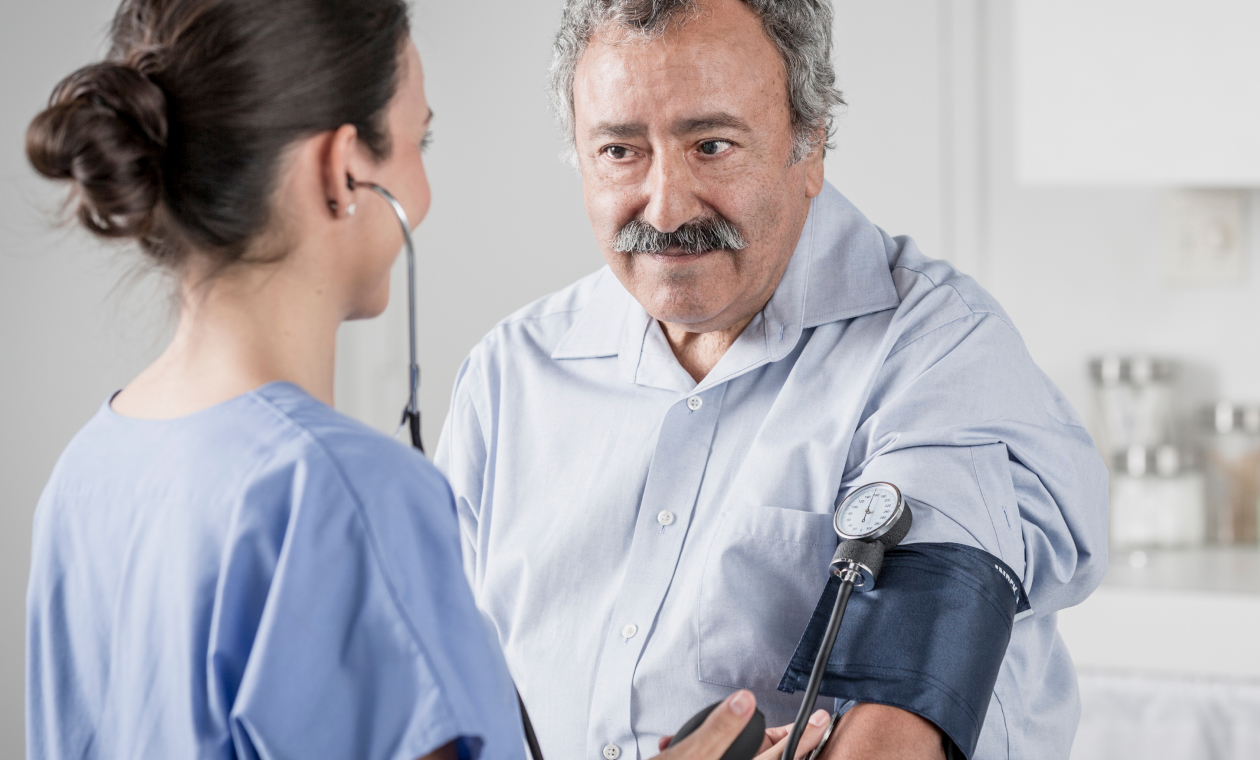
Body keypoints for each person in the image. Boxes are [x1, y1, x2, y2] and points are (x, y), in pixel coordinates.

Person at [23, 1, 828, 758]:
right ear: (343, 171)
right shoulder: (344, 497)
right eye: (419, 142)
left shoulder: (87, 472)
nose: (424, 189)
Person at [433, 0, 1109, 759]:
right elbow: (443, 707)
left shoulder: (937, 354)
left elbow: (906, 704)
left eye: (712, 145)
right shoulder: (509, 375)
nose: (665, 207)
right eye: (621, 151)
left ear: (810, 141)